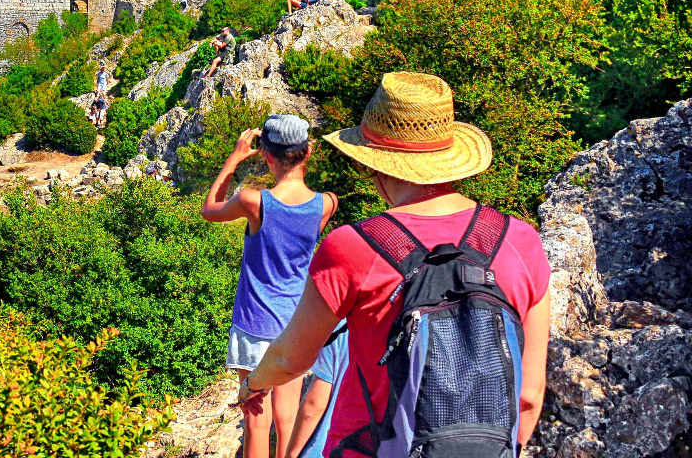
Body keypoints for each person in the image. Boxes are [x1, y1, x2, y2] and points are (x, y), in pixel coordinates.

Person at [236, 72, 551, 458]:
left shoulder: (352, 247)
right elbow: (530, 397)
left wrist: (254, 385)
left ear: (376, 164)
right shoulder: (521, 241)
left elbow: (290, 358)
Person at [200, 115, 338, 458]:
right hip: (294, 323)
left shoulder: (254, 201)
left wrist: (234, 157)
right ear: (308, 152)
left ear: (267, 156)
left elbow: (209, 210)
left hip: (254, 323)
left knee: (256, 418)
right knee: (286, 416)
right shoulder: (326, 204)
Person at [286, 322, 348, 458]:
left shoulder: (340, 331)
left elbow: (313, 406)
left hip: (325, 450)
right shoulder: (400, 337)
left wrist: (292, 453)